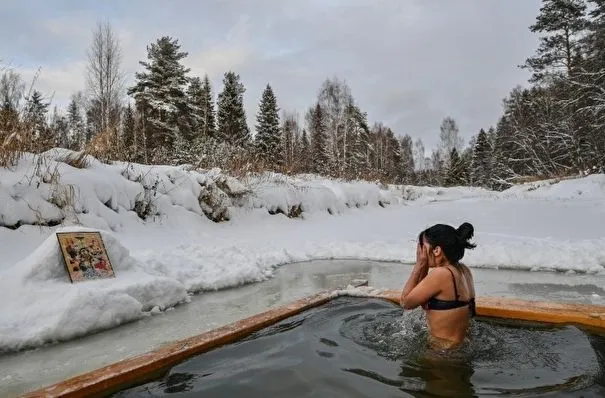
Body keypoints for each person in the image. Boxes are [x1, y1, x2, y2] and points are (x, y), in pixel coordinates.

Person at [399, 222, 477, 349]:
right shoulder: (464, 271)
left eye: (423, 247)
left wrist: (419, 265)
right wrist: (424, 265)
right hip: (460, 348)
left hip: (441, 353)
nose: (421, 252)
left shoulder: (441, 274)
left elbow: (406, 302)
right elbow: (420, 293)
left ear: (436, 250)